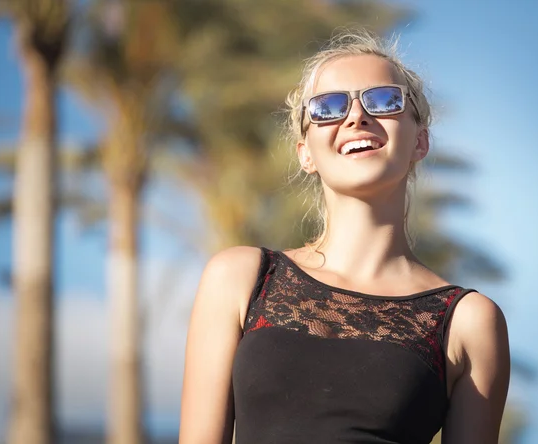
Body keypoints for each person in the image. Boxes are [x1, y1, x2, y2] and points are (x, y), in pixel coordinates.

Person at [179, 29, 510, 444]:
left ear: (420, 141)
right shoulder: (241, 277)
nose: (356, 117)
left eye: (384, 100)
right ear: (306, 153)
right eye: (329, 107)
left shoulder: (468, 320)